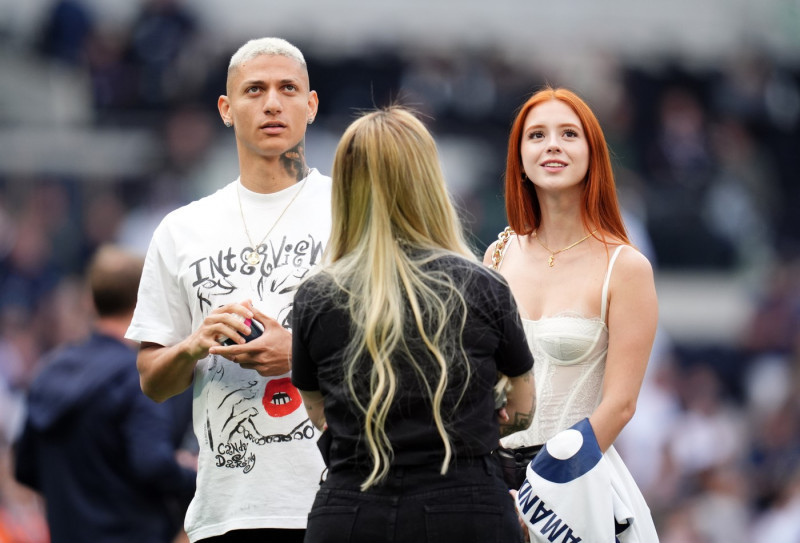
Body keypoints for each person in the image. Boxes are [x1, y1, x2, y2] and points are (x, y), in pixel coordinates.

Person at [291, 106, 535, 543]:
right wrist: (471, 422)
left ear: (345, 188)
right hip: (467, 509)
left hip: (351, 512)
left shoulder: (315, 296)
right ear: (429, 181)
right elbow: (523, 407)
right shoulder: (484, 287)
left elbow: (318, 411)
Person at [125, 37, 331, 542]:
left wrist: (300, 351)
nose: (272, 103)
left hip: (339, 500)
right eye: (254, 90)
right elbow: (153, 380)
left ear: (311, 105)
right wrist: (194, 344)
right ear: (225, 109)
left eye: (288, 89)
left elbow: (399, 347)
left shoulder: (354, 209)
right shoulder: (180, 229)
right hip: (228, 508)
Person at [484, 86, 660, 540]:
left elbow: (620, 406)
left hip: (574, 484)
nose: (553, 146)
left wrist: (543, 491)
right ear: (519, 156)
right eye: (537, 135)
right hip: (490, 481)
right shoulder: (498, 254)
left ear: (592, 152)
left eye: (568, 133)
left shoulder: (625, 267)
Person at [13, 244, 196, 543]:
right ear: (144, 301)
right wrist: (194, 474)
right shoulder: (136, 379)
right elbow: (151, 463)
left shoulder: (47, 372)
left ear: (90, 302)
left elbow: (25, 466)